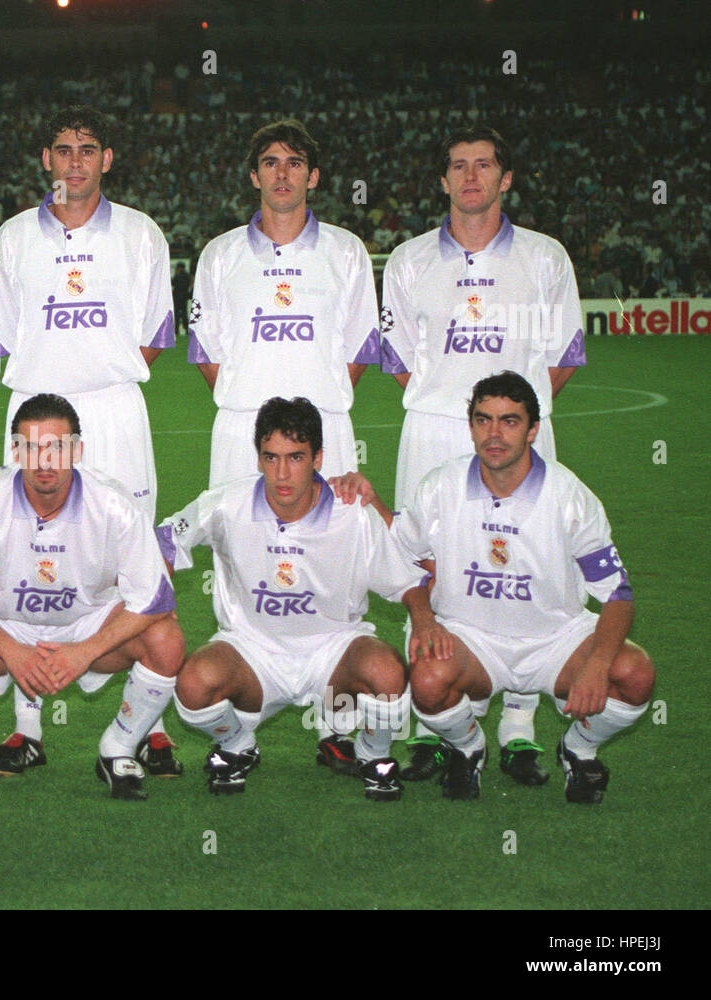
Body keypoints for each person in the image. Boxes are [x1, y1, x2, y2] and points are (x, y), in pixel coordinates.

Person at [379, 126, 587, 782]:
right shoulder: (409, 260)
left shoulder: (546, 257)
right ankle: (432, 719)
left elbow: (564, 355)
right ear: (443, 181)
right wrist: (457, 414)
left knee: (529, 561)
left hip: (522, 437)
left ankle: (520, 723)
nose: (472, 176)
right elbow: (399, 361)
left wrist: (512, 425)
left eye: (485, 165)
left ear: (506, 178)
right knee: (427, 568)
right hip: (435, 429)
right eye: (459, 166)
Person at [0, 106, 180, 775]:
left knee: (135, 558)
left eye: (88, 149)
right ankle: (27, 727)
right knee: (27, 554)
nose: (75, 161)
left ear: (107, 159)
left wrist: (98, 373)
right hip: (37, 413)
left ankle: (146, 724)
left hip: (115, 410)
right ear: (46, 159)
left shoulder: (140, 233)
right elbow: (8, 336)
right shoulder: (13, 238)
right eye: (63, 149)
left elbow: (154, 335)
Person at [365, 372, 652, 803]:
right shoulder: (441, 485)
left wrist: (598, 663)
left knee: (634, 673)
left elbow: (617, 594)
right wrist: (424, 620)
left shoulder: (568, 494)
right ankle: (467, 749)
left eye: (510, 421)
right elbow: (406, 557)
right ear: (471, 425)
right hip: (472, 637)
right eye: (483, 420)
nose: (494, 434)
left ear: (533, 429)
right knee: (426, 679)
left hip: (555, 638)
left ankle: (579, 749)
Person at [0, 394, 184, 800]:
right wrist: (12, 650)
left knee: (167, 640)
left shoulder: (115, 504)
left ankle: (118, 748)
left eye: (57, 446)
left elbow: (154, 599)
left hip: (87, 627)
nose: (45, 461)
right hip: (6, 630)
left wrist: (85, 650)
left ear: (78, 450)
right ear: (15, 450)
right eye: (32, 447)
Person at [160, 397, 421, 797]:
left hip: (333, 658)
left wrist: (426, 621)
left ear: (318, 457)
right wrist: (158, 605)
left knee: (386, 672)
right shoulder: (227, 504)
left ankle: (374, 754)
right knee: (194, 685)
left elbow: (406, 581)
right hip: (253, 656)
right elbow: (163, 541)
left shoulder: (350, 511)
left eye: (296, 457)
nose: (282, 473)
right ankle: (236, 745)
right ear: (259, 457)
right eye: (271, 457)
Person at [188, 119, 379, 487]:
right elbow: (207, 352)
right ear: (254, 176)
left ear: (313, 177)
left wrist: (321, 393)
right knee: (239, 540)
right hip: (242, 425)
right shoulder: (220, 253)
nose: (282, 173)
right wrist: (246, 395)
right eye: (270, 162)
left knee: (328, 537)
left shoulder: (347, 250)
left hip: (324, 422)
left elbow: (359, 347)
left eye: (295, 163)